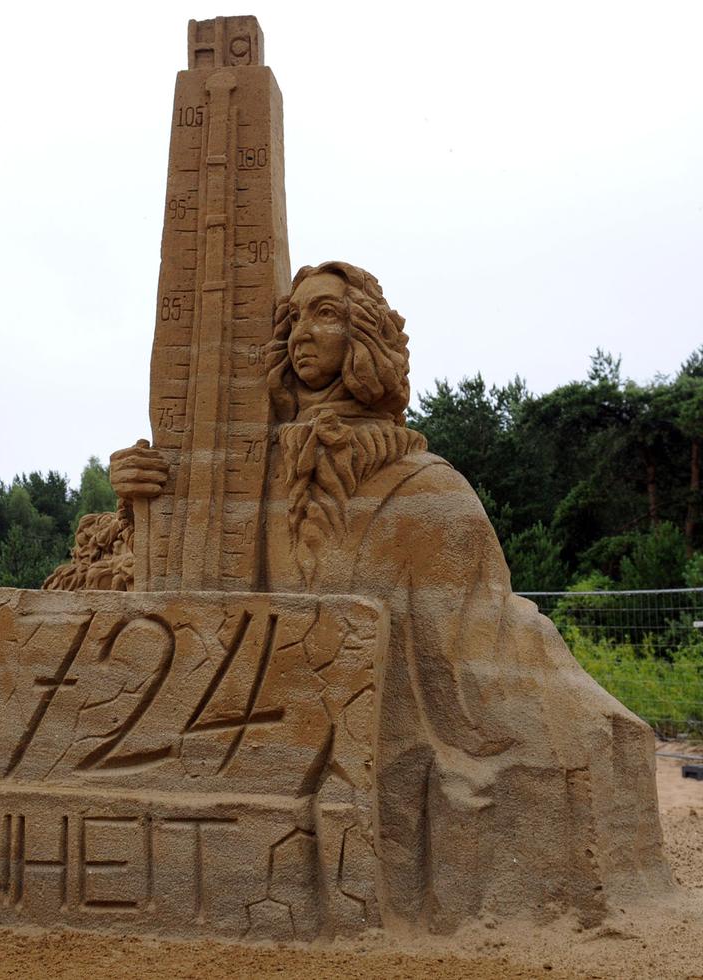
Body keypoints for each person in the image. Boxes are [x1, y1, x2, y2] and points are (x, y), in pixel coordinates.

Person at [110, 261, 671, 928]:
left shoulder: (429, 491)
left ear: (365, 340)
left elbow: (475, 655)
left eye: (325, 316)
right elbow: (183, 609)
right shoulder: (250, 481)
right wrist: (147, 501)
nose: (301, 336)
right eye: (293, 321)